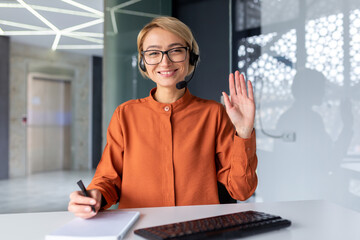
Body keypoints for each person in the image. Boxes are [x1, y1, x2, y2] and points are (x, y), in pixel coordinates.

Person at [68, 16, 258, 219]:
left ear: (191, 57)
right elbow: (108, 179)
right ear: (143, 61)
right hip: (139, 228)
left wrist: (244, 131)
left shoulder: (214, 114)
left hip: (198, 229)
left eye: (175, 51)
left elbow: (241, 191)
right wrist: (95, 194)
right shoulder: (125, 115)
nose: (164, 61)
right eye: (153, 53)